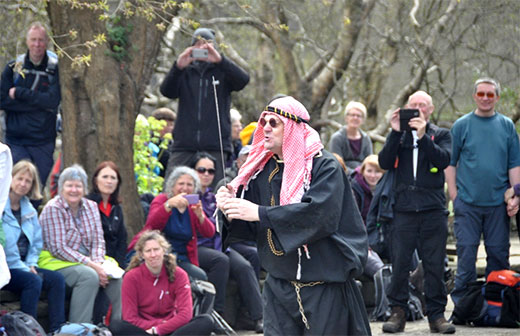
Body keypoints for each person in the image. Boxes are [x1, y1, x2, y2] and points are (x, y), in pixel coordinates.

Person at [216, 96, 370, 335]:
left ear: (292, 128)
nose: (264, 127)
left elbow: (319, 216)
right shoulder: (261, 172)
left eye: (273, 123)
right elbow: (250, 227)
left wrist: (259, 212)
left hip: (324, 288)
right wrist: (230, 209)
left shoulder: (324, 167)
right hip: (278, 288)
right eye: (263, 122)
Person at [378, 91, 454, 334]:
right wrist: (393, 131)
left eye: (423, 105)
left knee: (434, 265)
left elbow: (443, 160)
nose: (418, 108)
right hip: (404, 210)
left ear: (430, 110)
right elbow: (384, 162)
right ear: (406, 108)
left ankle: (436, 315)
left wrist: (423, 138)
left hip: (432, 209)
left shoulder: (441, 134)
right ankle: (397, 312)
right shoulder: (399, 136)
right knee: (400, 264)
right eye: (413, 105)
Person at [446, 78, 520, 305]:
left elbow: (514, 164)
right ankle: (463, 307)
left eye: (490, 94)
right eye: (481, 94)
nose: (485, 98)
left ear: (497, 97)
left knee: (498, 256)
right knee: (466, 257)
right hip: (467, 203)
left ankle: (496, 305)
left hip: (498, 204)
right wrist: (454, 195)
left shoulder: (507, 125)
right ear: (474, 96)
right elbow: (450, 163)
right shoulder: (461, 125)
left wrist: (515, 195)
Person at [160, 28, 250, 187]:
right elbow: (166, 91)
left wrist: (220, 61)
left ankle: (209, 212)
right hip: (184, 144)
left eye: (207, 45)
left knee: (217, 192)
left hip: (216, 144)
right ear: (191, 47)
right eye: (198, 45)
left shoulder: (222, 71)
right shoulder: (184, 71)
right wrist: (178, 66)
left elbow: (243, 80)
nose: (203, 49)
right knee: (174, 187)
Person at [39, 164, 122, 324]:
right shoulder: (53, 208)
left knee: (118, 277)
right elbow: (58, 248)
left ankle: (115, 327)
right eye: (69, 185)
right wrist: (93, 266)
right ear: (62, 187)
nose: (74, 190)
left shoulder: (90, 206)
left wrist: (99, 264)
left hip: (88, 261)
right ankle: (79, 328)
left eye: (78, 186)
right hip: (57, 262)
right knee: (88, 276)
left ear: (84, 188)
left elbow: (98, 240)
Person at [191, 152, 263, 332]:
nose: (206, 174)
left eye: (210, 171)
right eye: (201, 170)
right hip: (199, 246)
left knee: (248, 262)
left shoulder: (212, 196)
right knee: (220, 261)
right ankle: (217, 315)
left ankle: (256, 316)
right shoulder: (189, 195)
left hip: (221, 243)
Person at [109, 230, 214, 336]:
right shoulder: (131, 277)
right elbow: (130, 317)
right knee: (116, 325)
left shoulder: (179, 274)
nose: (153, 254)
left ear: (164, 251)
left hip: (172, 329)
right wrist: (156, 326)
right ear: (142, 254)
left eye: (156, 249)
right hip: (144, 331)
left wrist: (159, 329)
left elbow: (185, 315)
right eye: (148, 251)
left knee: (206, 321)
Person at [2, 160, 66, 333]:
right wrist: (24, 268)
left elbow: (37, 243)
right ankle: (28, 330)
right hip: (6, 268)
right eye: (19, 178)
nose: (23, 184)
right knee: (33, 281)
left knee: (57, 280)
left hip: (25, 266)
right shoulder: (1, 207)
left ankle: (57, 330)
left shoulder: (28, 209)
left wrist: (30, 264)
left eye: (28, 181)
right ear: (10, 178)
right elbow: (7, 247)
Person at [128, 166, 215, 281]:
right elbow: (152, 225)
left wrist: (200, 216)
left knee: (200, 278)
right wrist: (168, 205)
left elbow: (210, 233)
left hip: (182, 258)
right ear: (172, 185)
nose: (185, 188)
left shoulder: (191, 206)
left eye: (189, 185)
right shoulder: (162, 200)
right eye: (181, 184)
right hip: (159, 255)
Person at [0, 22, 61, 187]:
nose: (37, 44)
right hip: (16, 140)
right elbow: (2, 100)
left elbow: (53, 101)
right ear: (27, 42)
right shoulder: (13, 68)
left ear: (47, 41)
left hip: (43, 141)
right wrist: (39, 104)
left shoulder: (55, 69)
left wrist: (20, 94)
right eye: (33, 40)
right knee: (14, 188)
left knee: (37, 192)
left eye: (41, 40)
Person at [87, 161, 128, 268]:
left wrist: (119, 266)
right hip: (92, 261)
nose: (109, 181)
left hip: (114, 262)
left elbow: (122, 239)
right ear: (96, 180)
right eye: (105, 177)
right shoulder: (88, 205)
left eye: (113, 178)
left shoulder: (117, 207)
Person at [329, 101, 373, 171]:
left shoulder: (366, 139)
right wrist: (354, 173)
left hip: (364, 177)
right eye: (352, 115)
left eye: (359, 116)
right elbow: (337, 163)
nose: (355, 118)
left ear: (363, 120)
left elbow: (370, 162)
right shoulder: (337, 138)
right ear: (346, 118)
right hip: (343, 176)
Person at [151, 107, 176, 178]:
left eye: (171, 125)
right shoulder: (149, 142)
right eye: (166, 125)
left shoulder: (173, 143)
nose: (169, 128)